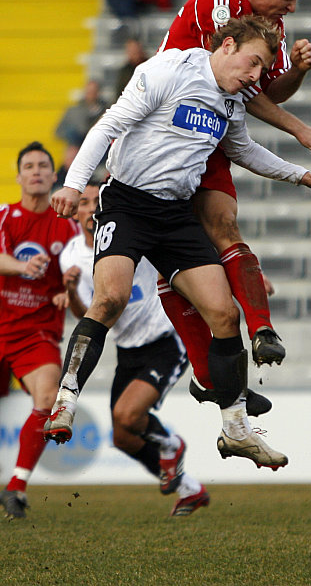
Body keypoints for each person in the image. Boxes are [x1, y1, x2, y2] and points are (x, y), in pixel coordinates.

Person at [43, 17, 311, 472]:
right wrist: (74, 185)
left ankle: (235, 431)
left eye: (262, 69)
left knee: (225, 314)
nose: (255, 76)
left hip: (174, 214)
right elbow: (107, 125)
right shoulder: (168, 70)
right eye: (253, 63)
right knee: (109, 298)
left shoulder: (231, 101)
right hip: (127, 203)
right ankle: (66, 400)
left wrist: (301, 175)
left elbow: (243, 150)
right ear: (227, 45)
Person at [157, 0, 311, 405]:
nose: (292, 8)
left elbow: (267, 88)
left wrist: (295, 71)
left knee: (223, 225)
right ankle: (207, 372)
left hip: (208, 130)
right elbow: (235, 76)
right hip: (164, 131)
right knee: (169, 257)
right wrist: (299, 131)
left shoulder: (271, 24)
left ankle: (261, 334)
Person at [57, 182, 209, 516]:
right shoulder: (71, 256)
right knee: (122, 437)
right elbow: (89, 318)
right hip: (127, 348)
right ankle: (190, 489)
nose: (91, 208)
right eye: (84, 202)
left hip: (164, 340)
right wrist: (70, 292)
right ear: (76, 212)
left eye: (98, 200)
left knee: (128, 415)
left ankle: (171, 444)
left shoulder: (131, 230)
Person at [0, 142, 78, 518]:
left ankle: (16, 486)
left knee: (48, 401)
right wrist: (20, 267)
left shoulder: (69, 224)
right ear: (18, 176)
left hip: (36, 334)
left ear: (53, 175)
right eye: (28, 165)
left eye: (42, 165)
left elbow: (78, 271)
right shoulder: (4, 216)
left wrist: (69, 290)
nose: (35, 171)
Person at [55, 80, 108, 148]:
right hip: (77, 148)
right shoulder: (73, 111)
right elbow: (58, 132)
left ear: (98, 93)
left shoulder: (106, 111)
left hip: (98, 147)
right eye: (88, 91)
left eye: (93, 91)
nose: (90, 94)